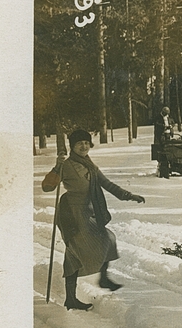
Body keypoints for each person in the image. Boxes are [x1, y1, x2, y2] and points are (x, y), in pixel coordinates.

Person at [42, 129, 145, 310]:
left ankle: (85, 289)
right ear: (72, 146)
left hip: (89, 212)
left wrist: (129, 195)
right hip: (73, 214)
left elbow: (107, 185)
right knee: (93, 243)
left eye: (86, 143)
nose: (84, 146)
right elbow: (47, 187)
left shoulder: (90, 165)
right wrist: (56, 167)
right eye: (79, 143)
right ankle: (82, 291)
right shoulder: (66, 165)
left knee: (96, 244)